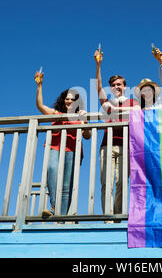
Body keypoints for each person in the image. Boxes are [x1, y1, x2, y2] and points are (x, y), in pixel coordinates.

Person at [34, 70, 91, 217]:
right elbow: (40, 106)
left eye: (73, 99)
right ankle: (54, 206)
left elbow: (87, 136)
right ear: (63, 101)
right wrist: (39, 86)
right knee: (51, 169)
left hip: (72, 149)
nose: (69, 101)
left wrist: (85, 120)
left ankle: (62, 217)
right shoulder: (56, 114)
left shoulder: (80, 116)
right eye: (67, 99)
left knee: (66, 185)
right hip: (54, 147)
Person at [94, 48, 140, 217]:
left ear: (125, 87)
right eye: (113, 85)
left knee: (121, 181)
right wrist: (98, 65)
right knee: (106, 182)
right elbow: (98, 87)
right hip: (107, 145)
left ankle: (117, 216)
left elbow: (136, 118)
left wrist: (113, 112)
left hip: (125, 146)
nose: (116, 87)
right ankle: (107, 215)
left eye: (119, 84)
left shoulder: (133, 102)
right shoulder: (107, 101)